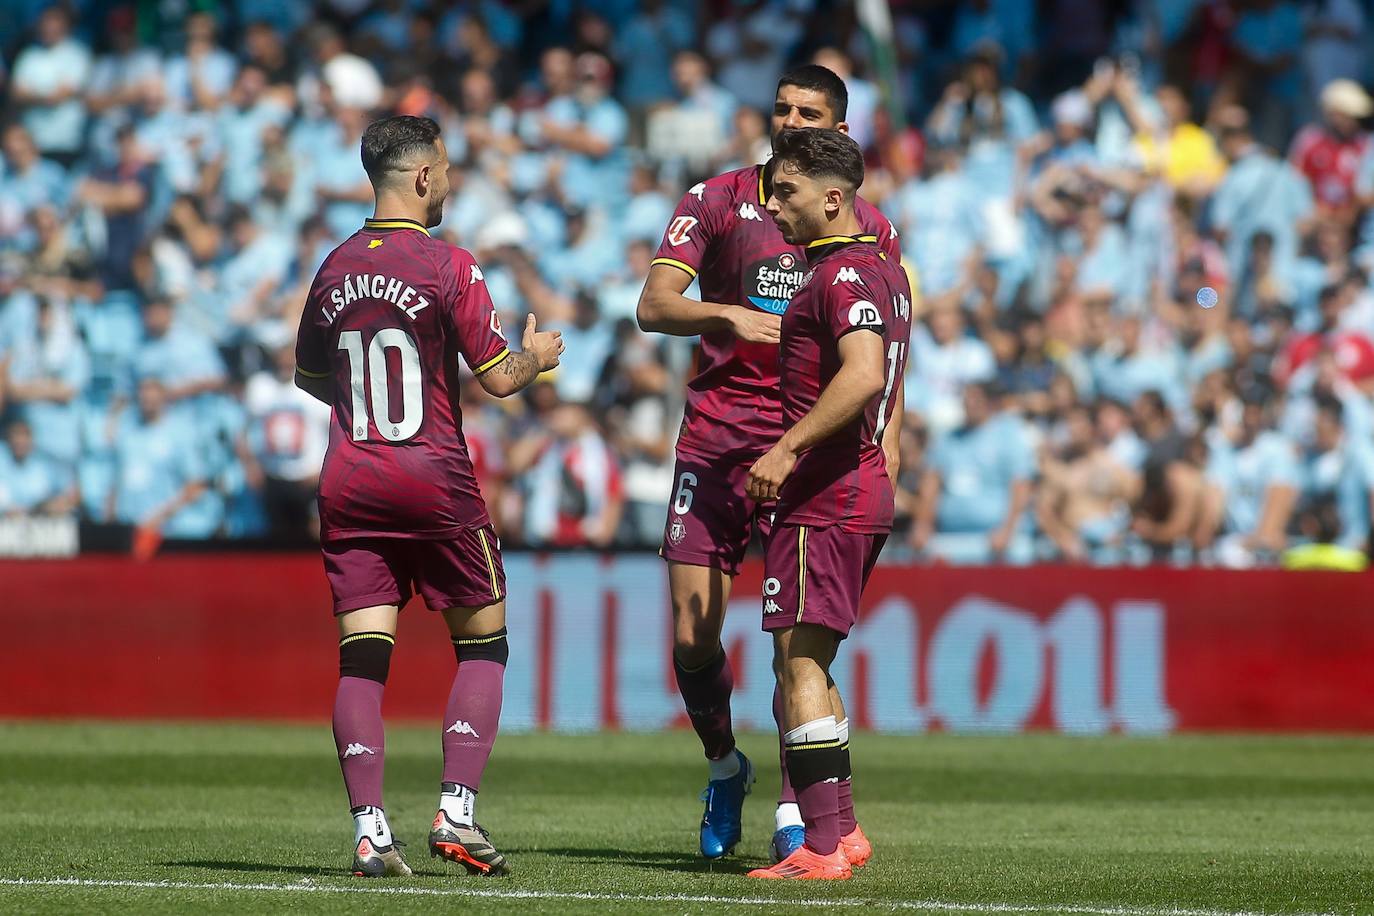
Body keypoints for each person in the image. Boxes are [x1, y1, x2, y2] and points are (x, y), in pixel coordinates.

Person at [635, 64, 901, 864]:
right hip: (718, 439)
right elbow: (652, 305)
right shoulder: (717, 199)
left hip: (808, 448)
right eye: (781, 107)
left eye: (806, 111)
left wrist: (891, 429)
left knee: (798, 648)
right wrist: (728, 316)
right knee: (694, 636)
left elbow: (881, 345)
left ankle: (801, 812)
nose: (788, 120)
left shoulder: (865, 227)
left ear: (839, 132)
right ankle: (725, 766)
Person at [292, 115, 563, 878]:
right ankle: (456, 811)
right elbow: (500, 377)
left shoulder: (334, 266)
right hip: (433, 478)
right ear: (420, 178)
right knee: (483, 643)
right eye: (444, 170)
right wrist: (537, 356)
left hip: (351, 480)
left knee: (362, 662)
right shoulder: (449, 264)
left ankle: (371, 831)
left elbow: (312, 379)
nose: (448, 182)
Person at [744, 127, 911, 880]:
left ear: (834, 198)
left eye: (787, 191)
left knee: (798, 661)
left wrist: (784, 450)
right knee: (812, 656)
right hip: (860, 487)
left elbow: (864, 374)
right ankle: (839, 833)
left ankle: (817, 847)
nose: (774, 204)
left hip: (826, 493)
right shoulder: (884, 270)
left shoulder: (840, 276)